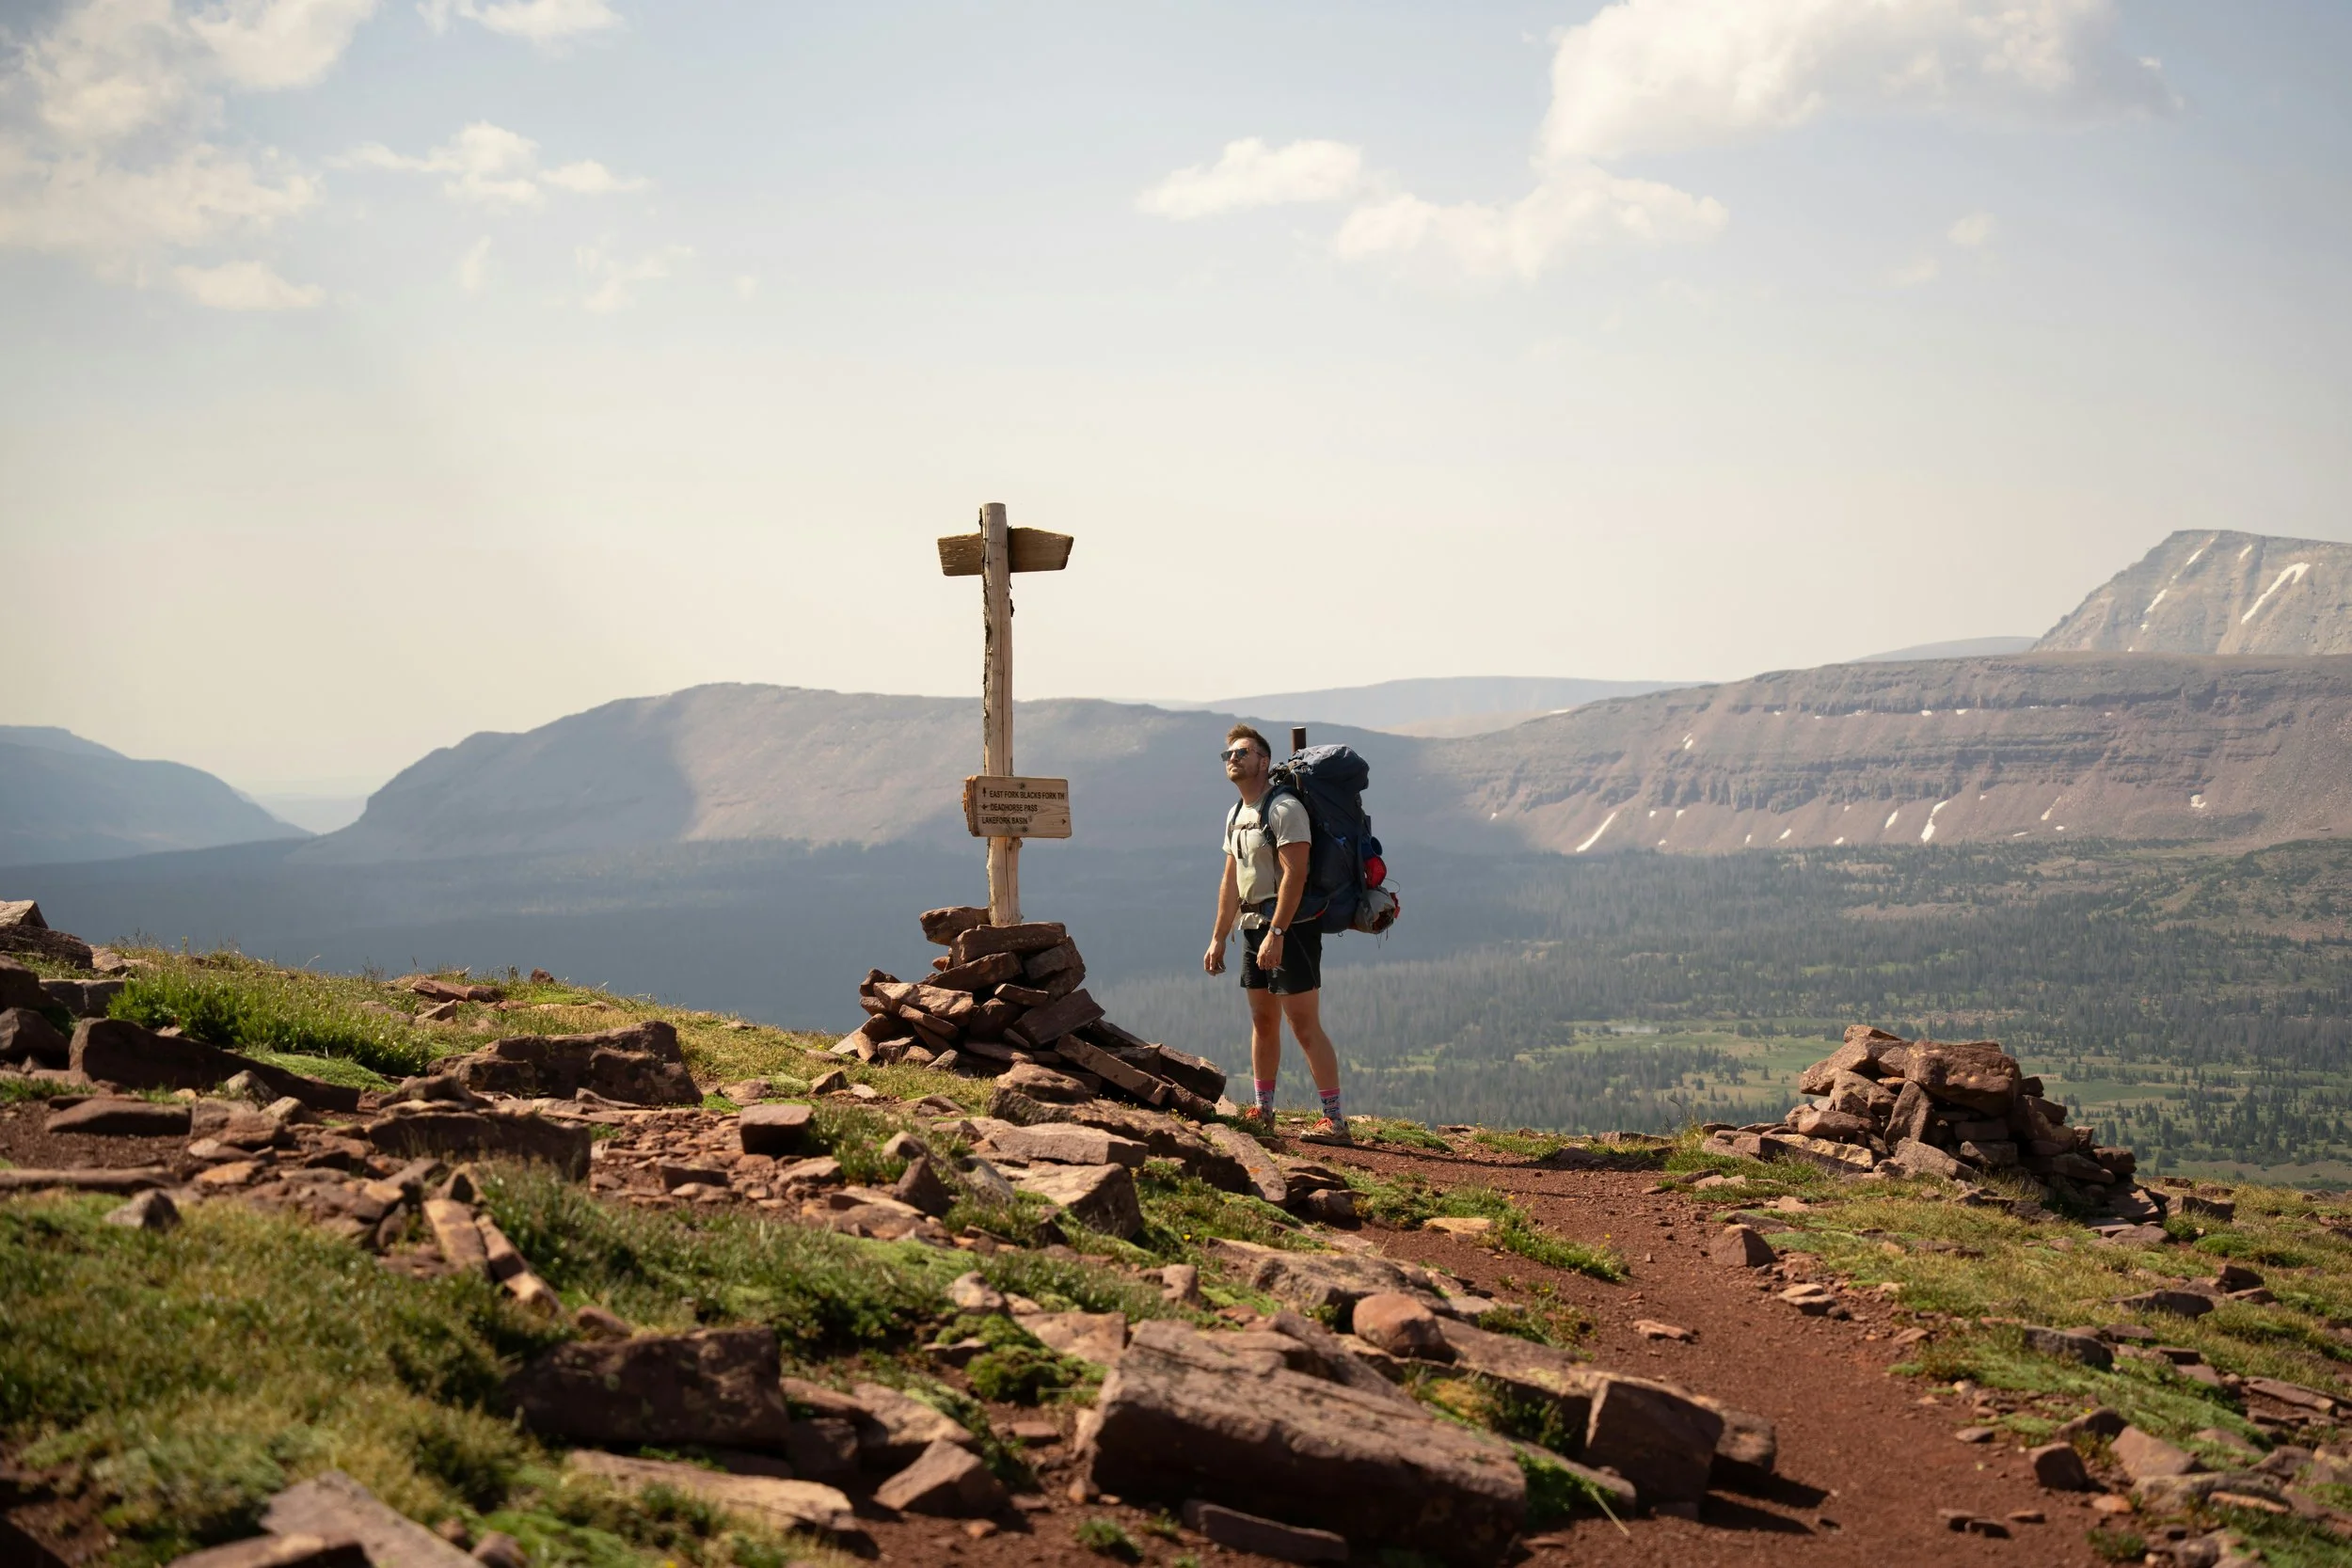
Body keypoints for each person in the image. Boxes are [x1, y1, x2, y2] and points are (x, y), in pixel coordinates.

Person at [1203, 723, 1348, 1142]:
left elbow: (1296, 874)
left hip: (1292, 928)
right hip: (1252, 927)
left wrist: (1279, 931)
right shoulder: (1236, 814)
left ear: (1263, 762)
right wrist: (1218, 936)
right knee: (1262, 1021)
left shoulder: (1283, 809)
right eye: (1228, 754)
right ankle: (1264, 1110)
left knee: (1303, 1023)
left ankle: (1335, 1120)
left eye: (1242, 753)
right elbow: (1230, 881)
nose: (1233, 759)